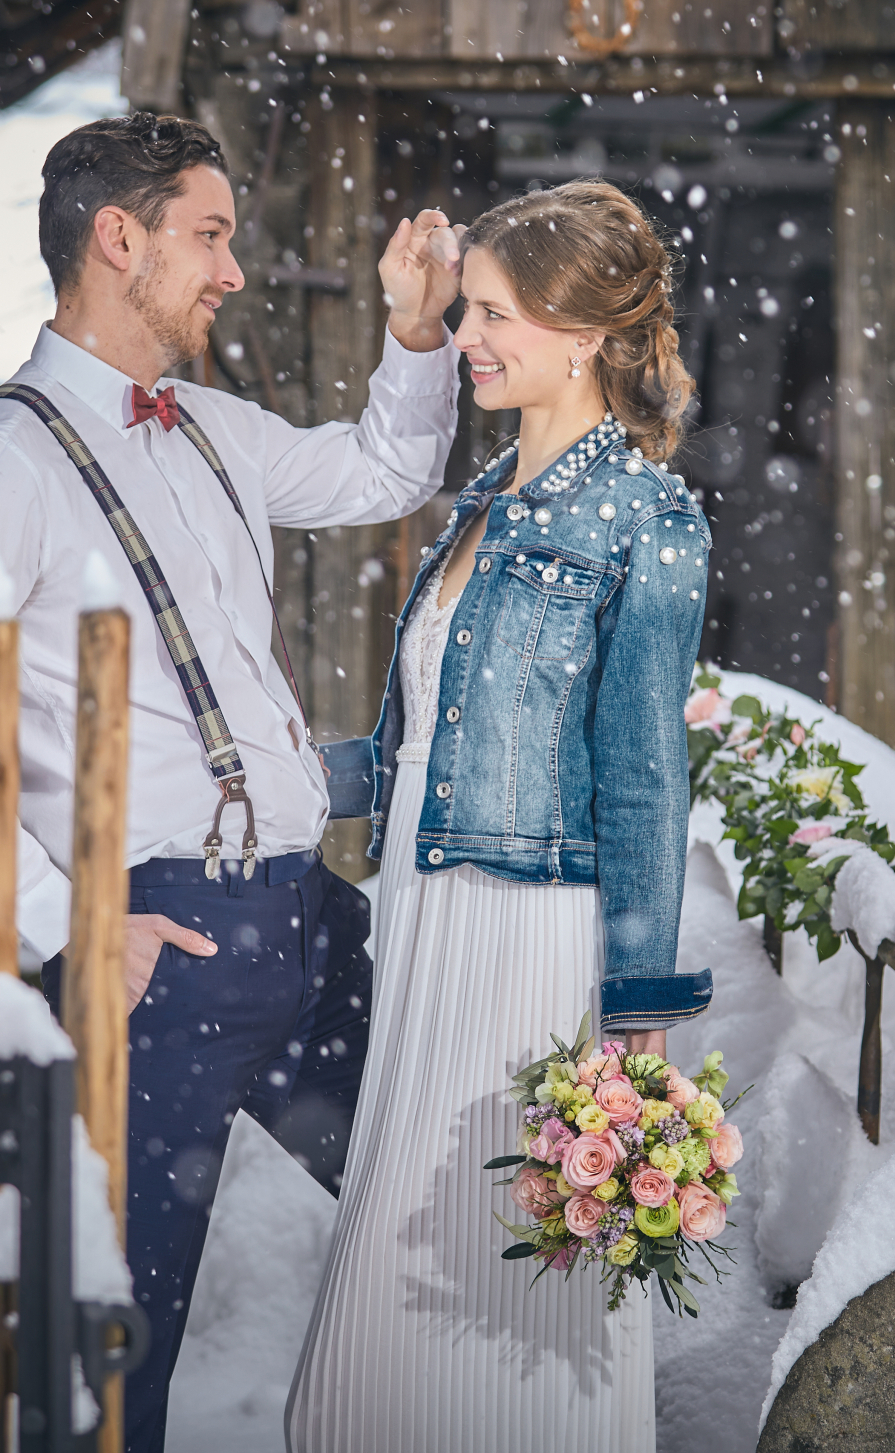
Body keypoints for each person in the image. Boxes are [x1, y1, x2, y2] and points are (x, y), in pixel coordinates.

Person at [0, 112, 469, 1452]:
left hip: (305, 924)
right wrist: (75, 925)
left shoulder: (211, 427)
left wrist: (416, 331)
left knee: (450, 1222)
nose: (233, 271)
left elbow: (386, 468)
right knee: (116, 1338)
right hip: (153, 952)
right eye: (210, 236)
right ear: (117, 239)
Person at [287, 180, 714, 1452]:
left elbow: (644, 777)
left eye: (489, 314)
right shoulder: (484, 496)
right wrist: (260, 778)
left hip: (530, 939)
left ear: (581, 333)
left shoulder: (647, 514)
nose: (464, 337)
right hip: (425, 915)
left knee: (501, 1288)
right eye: (466, 309)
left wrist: (634, 1019)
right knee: (391, 1282)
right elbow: (429, 744)